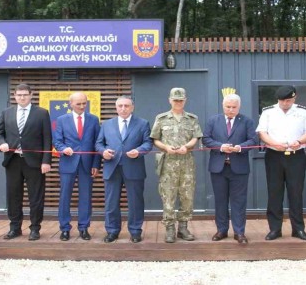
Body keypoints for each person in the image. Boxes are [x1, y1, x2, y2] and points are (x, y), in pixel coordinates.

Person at [256, 85, 306, 241]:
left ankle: (298, 229)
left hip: (296, 156)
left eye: (288, 100)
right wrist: (274, 143)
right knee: (274, 193)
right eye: (282, 101)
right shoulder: (268, 111)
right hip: (274, 156)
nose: (284, 103)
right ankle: (275, 229)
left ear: (294, 98)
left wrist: (299, 141)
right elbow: (262, 132)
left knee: (296, 193)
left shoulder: (303, 111)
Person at [0, 84, 52, 241]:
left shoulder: (41, 113)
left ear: (31, 95)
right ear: (14, 95)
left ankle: (35, 228)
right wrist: (1, 144)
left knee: (36, 197)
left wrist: (46, 161)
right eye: (19, 95)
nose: (22, 97)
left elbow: (47, 138)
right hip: (12, 160)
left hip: (34, 162)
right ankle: (15, 227)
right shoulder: (7, 113)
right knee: (13, 195)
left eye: (25, 95)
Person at [96, 96, 152, 243]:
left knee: (135, 202)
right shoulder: (107, 124)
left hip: (134, 167)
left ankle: (135, 231)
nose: (123, 108)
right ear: (116, 108)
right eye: (120, 106)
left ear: (132, 107)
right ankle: (112, 231)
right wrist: (103, 152)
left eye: (126, 106)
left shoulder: (143, 123)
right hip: (112, 167)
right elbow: (99, 143)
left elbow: (148, 143)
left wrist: (139, 151)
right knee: (111, 202)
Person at [202, 94, 257, 244]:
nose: (231, 110)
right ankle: (222, 230)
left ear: (239, 107)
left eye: (234, 107)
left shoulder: (247, 121)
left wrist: (240, 148)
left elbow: (253, 140)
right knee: (220, 200)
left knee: (239, 201)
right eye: (228, 107)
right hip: (218, 167)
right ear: (223, 105)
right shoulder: (213, 120)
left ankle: (239, 232)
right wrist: (220, 146)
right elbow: (206, 138)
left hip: (239, 167)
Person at [151, 87, 203, 243]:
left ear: (185, 100)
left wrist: (186, 147)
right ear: (170, 100)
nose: (178, 102)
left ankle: (183, 228)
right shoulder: (161, 118)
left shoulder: (192, 119)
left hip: (187, 162)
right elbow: (155, 138)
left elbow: (196, 137)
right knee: (168, 196)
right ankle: (169, 228)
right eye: (175, 100)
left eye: (181, 100)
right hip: (168, 163)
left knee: (187, 196)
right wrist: (166, 147)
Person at [53, 92, 101, 241]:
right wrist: (63, 149)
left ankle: (84, 228)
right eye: (78, 103)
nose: (81, 106)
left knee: (86, 197)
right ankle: (65, 228)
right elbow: (57, 141)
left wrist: (96, 164)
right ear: (70, 104)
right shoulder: (61, 120)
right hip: (68, 162)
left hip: (87, 164)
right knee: (65, 197)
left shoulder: (93, 119)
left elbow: (97, 143)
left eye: (84, 103)